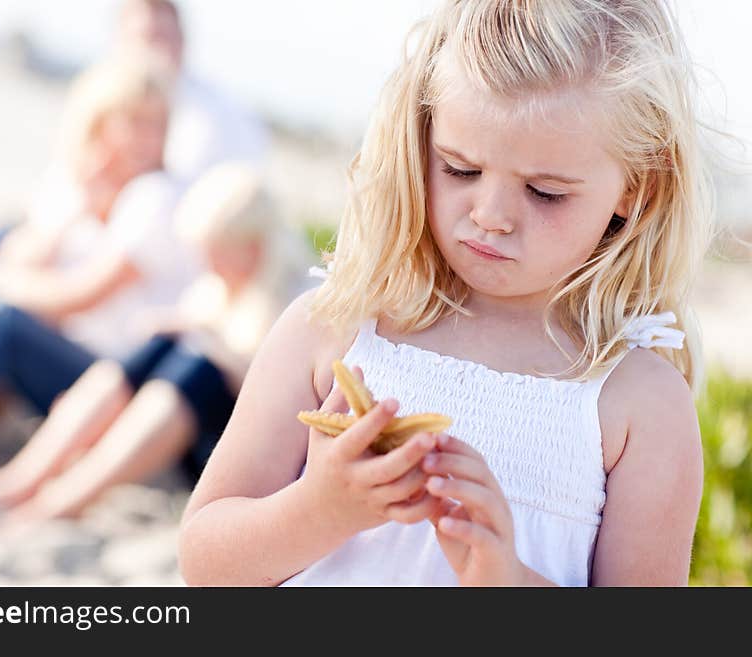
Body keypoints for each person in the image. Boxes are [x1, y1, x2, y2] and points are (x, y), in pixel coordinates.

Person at [177, 0, 714, 586]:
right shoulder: (333, 329)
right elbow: (206, 565)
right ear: (420, 141)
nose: (492, 215)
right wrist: (319, 511)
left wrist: (507, 580)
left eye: (545, 192)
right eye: (460, 168)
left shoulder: (637, 401)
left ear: (637, 188)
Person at [0, 163, 312, 522]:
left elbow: (281, 404)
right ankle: (25, 479)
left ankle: (62, 503)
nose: (210, 264)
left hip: (238, 450)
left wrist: (218, 349)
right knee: (164, 347)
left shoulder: (295, 297)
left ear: (251, 245)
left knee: (201, 366)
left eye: (218, 252)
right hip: (181, 430)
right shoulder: (220, 288)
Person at [0, 55, 198, 446]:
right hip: (61, 340)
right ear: (100, 119)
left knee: (1, 319)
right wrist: (77, 210)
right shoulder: (81, 178)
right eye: (134, 121)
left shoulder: (156, 198)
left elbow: (78, 297)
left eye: (157, 125)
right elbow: (18, 260)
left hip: (108, 375)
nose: (146, 138)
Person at [116, 0, 269, 184]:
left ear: (181, 41)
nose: (151, 54)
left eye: (160, 38)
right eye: (143, 39)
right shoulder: (102, 107)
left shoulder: (215, 117)